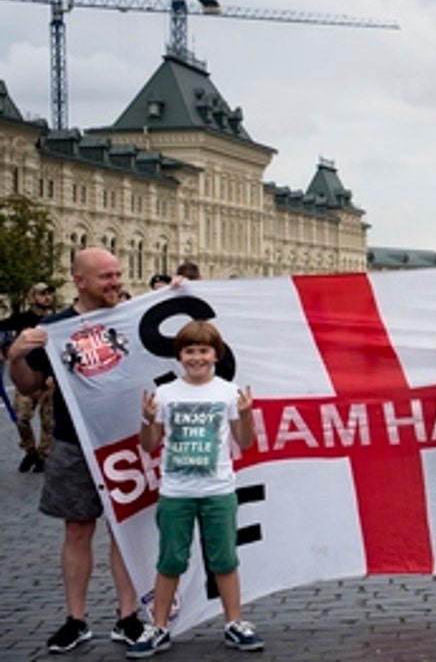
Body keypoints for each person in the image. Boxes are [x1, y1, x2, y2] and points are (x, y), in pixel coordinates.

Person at [6, 248, 145, 652]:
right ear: (80, 281)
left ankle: (128, 616)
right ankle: (76, 619)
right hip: (74, 440)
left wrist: (177, 291)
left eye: (118, 274)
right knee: (77, 528)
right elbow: (30, 384)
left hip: (125, 439)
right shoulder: (54, 328)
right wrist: (15, 358)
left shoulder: (130, 317)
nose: (116, 282)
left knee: (125, 529)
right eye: (107, 276)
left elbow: (184, 330)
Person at [127, 320, 262, 657]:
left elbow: (244, 442)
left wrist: (246, 416)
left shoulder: (228, 392)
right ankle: (158, 627)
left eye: (203, 350)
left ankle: (234, 622)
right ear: (179, 355)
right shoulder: (165, 393)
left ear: (216, 355)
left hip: (218, 489)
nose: (197, 357)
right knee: (170, 560)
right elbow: (149, 445)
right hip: (176, 491)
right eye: (189, 351)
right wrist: (146, 420)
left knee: (224, 559)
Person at [0, 281, 56, 472]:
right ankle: (30, 450)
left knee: (48, 422)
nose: (47, 297)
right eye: (42, 294)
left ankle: (43, 456)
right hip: (26, 378)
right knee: (21, 418)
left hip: (48, 379)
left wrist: (53, 375)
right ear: (33, 297)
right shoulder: (22, 318)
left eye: (49, 293)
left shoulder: (56, 321)